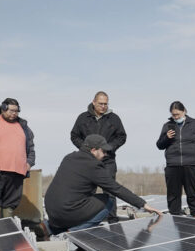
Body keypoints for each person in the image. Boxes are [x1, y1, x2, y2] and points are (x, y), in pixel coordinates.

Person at [45, 135, 163, 233]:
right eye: (103, 151)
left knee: (80, 202)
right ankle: (76, 231)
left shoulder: (69, 157)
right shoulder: (93, 166)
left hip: (52, 211)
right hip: (67, 210)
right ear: (93, 150)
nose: (105, 154)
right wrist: (143, 204)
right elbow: (116, 188)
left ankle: (49, 228)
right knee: (108, 200)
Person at [70, 91, 127, 222]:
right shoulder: (83, 118)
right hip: (87, 161)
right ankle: (88, 219)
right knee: (87, 191)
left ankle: (112, 220)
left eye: (105, 104)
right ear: (94, 102)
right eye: (100, 103)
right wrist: (85, 148)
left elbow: (122, 137)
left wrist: (110, 147)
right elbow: (74, 136)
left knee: (110, 190)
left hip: (108, 161)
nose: (103, 106)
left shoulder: (114, 118)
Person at [155, 101, 195, 216]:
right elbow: (159, 145)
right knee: (173, 196)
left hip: (191, 165)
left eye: (178, 114)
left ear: (184, 111)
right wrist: (167, 138)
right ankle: (175, 219)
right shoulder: (167, 125)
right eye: (173, 115)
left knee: (192, 194)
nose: (175, 117)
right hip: (172, 166)